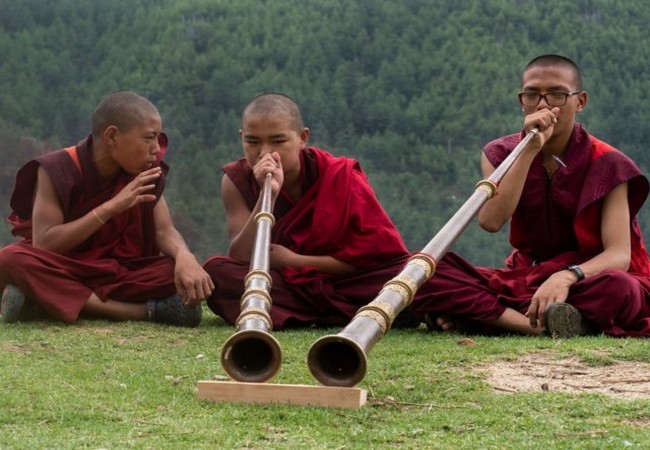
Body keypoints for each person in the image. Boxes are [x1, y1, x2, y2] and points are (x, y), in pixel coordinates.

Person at [425, 54, 650, 338]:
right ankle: (548, 323)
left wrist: (567, 276)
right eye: (532, 95)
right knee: (429, 268)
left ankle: (483, 316)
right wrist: (529, 148)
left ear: (580, 102)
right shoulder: (500, 154)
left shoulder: (608, 162)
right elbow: (491, 221)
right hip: (528, 276)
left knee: (620, 288)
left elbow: (618, 254)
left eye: (557, 94)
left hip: (589, 276)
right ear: (522, 102)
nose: (544, 105)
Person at [203, 93, 419, 329]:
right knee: (217, 273)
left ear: (302, 138)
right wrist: (269, 197)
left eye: (278, 141)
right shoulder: (236, 181)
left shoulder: (339, 175)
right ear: (242, 138)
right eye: (253, 142)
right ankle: (370, 311)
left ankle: (338, 312)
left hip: (347, 280)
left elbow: (379, 257)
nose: (264, 152)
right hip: (285, 284)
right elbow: (242, 257)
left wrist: (296, 261)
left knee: (421, 274)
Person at [0, 91, 214, 326]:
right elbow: (45, 243)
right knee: (11, 258)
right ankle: (142, 312)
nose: (156, 149)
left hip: (118, 271)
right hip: (69, 266)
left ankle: (44, 299)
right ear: (112, 136)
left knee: (174, 270)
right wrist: (111, 207)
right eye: (149, 138)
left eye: (158, 138)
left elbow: (164, 231)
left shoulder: (143, 172)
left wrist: (185, 256)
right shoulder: (57, 169)